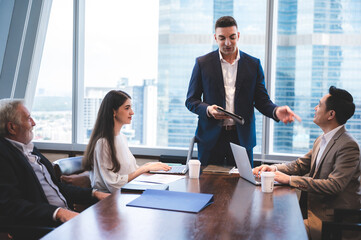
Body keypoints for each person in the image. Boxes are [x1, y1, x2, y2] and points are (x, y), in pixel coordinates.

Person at [185, 16, 301, 167]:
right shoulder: (202, 64)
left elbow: (261, 100)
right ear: (215, 38)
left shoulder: (253, 64)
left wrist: (276, 111)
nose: (227, 43)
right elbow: (191, 100)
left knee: (243, 186)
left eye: (232, 37)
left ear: (238, 36)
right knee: (207, 187)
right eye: (222, 38)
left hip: (241, 138)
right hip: (210, 139)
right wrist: (208, 110)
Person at [253, 86, 360, 240]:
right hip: (313, 210)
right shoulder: (322, 139)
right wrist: (273, 168)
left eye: (319, 105)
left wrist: (289, 180)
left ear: (331, 114)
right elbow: (299, 165)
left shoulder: (348, 145)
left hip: (332, 219)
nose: (315, 108)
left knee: (276, 229)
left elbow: (334, 185)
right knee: (268, 222)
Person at [0, 99, 109, 228]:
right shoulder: (4, 155)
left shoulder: (30, 150)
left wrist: (94, 193)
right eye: (29, 119)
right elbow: (9, 204)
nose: (34, 123)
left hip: (66, 218)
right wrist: (58, 213)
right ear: (12, 127)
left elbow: (56, 187)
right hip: (43, 226)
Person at [82, 90, 171, 193]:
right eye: (127, 108)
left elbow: (130, 171)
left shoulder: (122, 137)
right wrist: (143, 169)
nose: (132, 112)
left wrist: (148, 166)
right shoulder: (103, 143)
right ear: (113, 111)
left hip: (125, 192)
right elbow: (114, 185)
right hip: (110, 199)